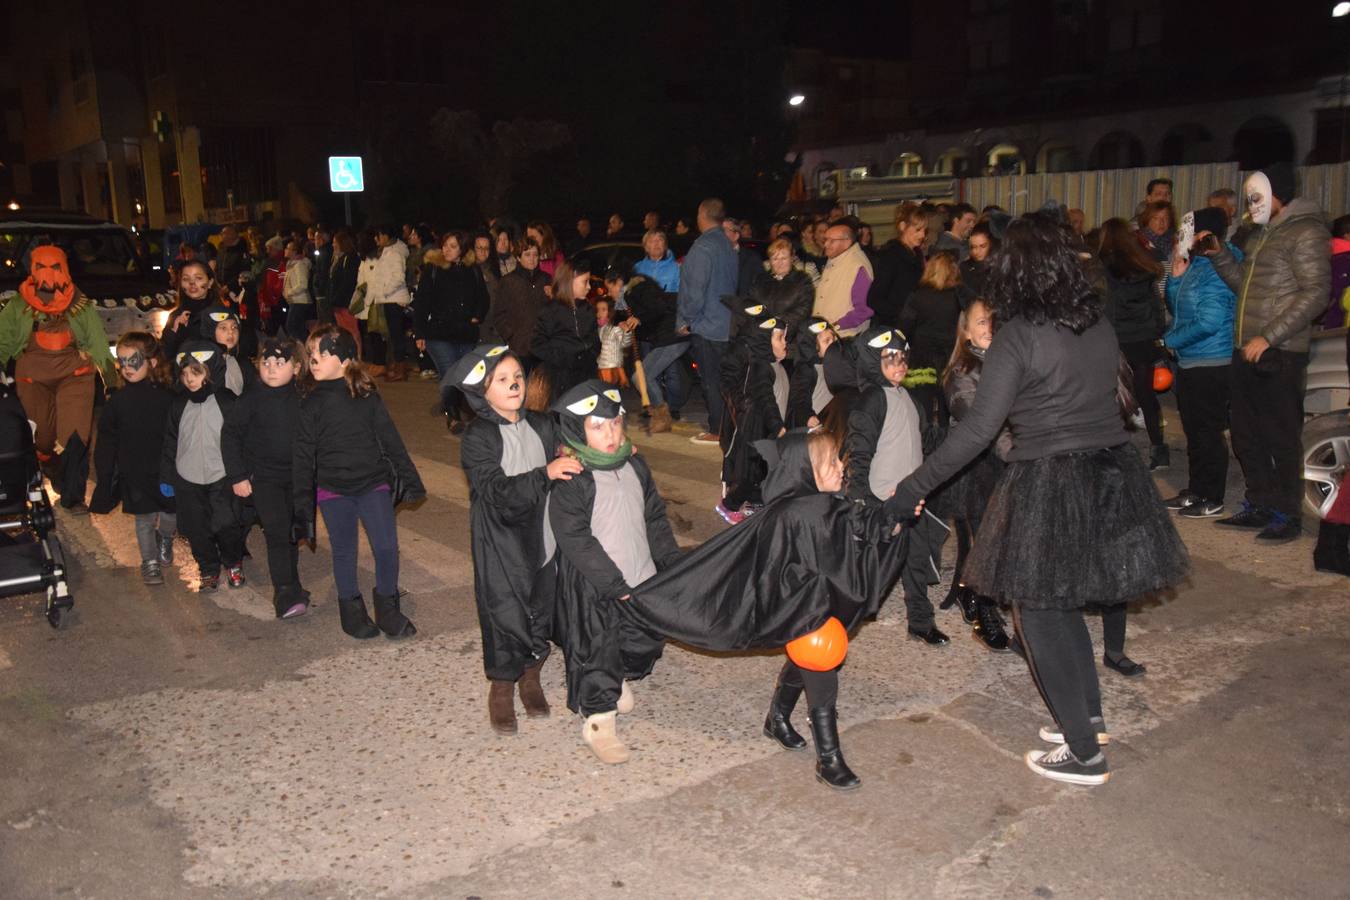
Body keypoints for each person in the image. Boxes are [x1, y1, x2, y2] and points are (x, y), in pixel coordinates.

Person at [885, 211, 1189, 787]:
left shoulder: (1019, 334)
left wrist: (912, 487)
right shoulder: (1095, 322)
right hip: (1110, 472)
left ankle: (1084, 755)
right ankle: (1088, 722)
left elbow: (977, 432)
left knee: (1039, 611)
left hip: (1052, 477)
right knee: (1062, 601)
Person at [625, 428, 917, 790]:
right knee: (819, 660)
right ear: (805, 471)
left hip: (815, 604)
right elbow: (774, 564)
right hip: (801, 607)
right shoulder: (795, 513)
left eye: (837, 459)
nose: (841, 466)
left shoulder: (826, 505)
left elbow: (862, 526)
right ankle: (829, 758)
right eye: (830, 462)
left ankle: (777, 717)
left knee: (809, 651)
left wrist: (894, 515)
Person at [543, 381, 681, 763]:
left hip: (641, 576)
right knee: (597, 650)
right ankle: (599, 723)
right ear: (578, 430)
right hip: (596, 584)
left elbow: (654, 517)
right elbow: (574, 538)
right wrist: (612, 583)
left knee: (646, 641)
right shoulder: (573, 476)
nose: (610, 434)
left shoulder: (635, 464)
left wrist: (671, 563)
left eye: (615, 423)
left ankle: (618, 676)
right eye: (598, 427)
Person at [446, 345, 582, 731]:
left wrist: (614, 450)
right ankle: (502, 686)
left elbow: (574, 449)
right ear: (482, 391)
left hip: (542, 536)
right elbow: (496, 492)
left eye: (518, 377)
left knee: (541, 605)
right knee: (503, 612)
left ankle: (531, 675)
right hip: (500, 542)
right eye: (502, 379)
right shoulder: (478, 437)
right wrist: (545, 473)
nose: (514, 385)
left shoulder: (542, 424)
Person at [1203, 164, 1332, 543]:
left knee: (1280, 436)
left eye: (1256, 198)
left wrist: (1269, 337)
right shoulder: (1263, 235)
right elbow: (1247, 287)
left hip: (1280, 353)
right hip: (1247, 348)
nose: (1250, 206)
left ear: (1279, 194)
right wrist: (1219, 256)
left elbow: (1316, 293)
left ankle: (1287, 514)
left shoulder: (1305, 231)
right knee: (1246, 434)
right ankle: (1260, 503)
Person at [293, 326, 425, 639]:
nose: (314, 359)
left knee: (386, 547)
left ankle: (388, 609)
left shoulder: (366, 396)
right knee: (344, 551)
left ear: (343, 359)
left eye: (321, 353)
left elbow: (390, 438)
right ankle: (351, 611)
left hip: (372, 483)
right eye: (311, 354)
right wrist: (301, 504)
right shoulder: (310, 403)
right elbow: (303, 455)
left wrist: (410, 479)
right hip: (332, 489)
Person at [844, 326, 945, 646]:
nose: (900, 364)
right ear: (873, 361)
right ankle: (850, 612)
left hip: (911, 497)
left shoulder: (910, 399)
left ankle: (920, 620)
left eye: (903, 357)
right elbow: (860, 449)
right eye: (890, 358)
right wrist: (859, 496)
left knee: (916, 559)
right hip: (880, 498)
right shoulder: (872, 400)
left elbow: (925, 439)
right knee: (873, 561)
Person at [0, 244, 116, 510]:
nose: (49, 274)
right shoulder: (18, 306)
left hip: (75, 374)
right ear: (32, 269)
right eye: (41, 267)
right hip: (32, 378)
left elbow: (98, 344)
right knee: (40, 437)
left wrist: (112, 384)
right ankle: (50, 465)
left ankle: (73, 495)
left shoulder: (80, 305)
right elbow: (2, 341)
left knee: (75, 435)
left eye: (55, 267)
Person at [937, 300, 1011, 651]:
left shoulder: (1007, 361)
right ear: (965, 331)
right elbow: (978, 420)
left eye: (993, 321)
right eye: (981, 322)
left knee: (1001, 535)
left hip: (1006, 457)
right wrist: (1016, 450)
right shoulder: (962, 371)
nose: (989, 327)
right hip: (977, 463)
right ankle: (984, 609)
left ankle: (975, 590)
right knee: (985, 538)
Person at [1161, 207, 1242, 519]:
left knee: (1208, 431)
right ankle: (1196, 489)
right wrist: (1174, 279)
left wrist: (1170, 341)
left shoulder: (1219, 266)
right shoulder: (1197, 263)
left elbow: (1210, 321)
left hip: (1212, 360)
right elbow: (1178, 307)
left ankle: (1212, 495)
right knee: (1194, 431)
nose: (1184, 237)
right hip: (1191, 358)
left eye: (1189, 231)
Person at [222, 337, 310, 619]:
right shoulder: (251, 398)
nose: (271, 368)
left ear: (296, 368)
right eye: (266, 362)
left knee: (292, 532)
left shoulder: (303, 398)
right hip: (264, 478)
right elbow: (230, 435)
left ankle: (293, 585)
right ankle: (284, 593)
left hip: (296, 478)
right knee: (277, 532)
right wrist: (237, 475)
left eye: (279, 363)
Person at [89, 332, 177, 585]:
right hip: (134, 470)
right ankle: (149, 562)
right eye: (122, 361)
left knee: (171, 513)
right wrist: (106, 471)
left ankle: (166, 537)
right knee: (144, 518)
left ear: (152, 362)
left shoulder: (169, 398)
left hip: (165, 469)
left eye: (133, 361)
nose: (126, 367)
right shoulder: (117, 402)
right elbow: (107, 438)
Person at [160, 340, 245, 592]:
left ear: (209, 371)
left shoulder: (227, 401)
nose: (189, 379)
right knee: (196, 528)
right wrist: (167, 476)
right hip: (187, 477)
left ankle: (233, 562)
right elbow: (170, 441)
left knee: (226, 524)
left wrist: (242, 473)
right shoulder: (178, 404)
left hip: (222, 475)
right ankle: (208, 568)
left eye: (195, 372)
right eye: (185, 373)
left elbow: (241, 439)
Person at [1098, 217, 1168, 469]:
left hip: (1118, 340)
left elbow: (1106, 308)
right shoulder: (1144, 267)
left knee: (1114, 395)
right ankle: (1159, 449)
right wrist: (1157, 334)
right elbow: (1156, 305)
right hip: (1143, 339)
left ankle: (1115, 451)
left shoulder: (1104, 270)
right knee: (1146, 395)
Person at [413, 230, 491, 433]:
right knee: (449, 372)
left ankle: (457, 406)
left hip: (465, 333)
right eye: (445, 245)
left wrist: (477, 315)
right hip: (439, 334)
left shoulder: (472, 270)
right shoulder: (433, 269)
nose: (446, 250)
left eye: (453, 246)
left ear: (462, 249)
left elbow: (483, 297)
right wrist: (419, 332)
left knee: (464, 375)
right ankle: (453, 414)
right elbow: (421, 302)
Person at [676, 198, 739, 445]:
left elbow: (694, 290)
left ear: (702, 215)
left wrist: (687, 320)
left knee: (711, 380)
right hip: (726, 324)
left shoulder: (703, 246)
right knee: (726, 380)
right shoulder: (727, 244)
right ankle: (730, 425)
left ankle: (717, 429)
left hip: (707, 326)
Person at [715, 315, 789, 524]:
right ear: (765, 340)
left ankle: (756, 504)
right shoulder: (762, 367)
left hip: (769, 430)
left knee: (765, 473)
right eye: (779, 338)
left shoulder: (777, 366)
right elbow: (766, 399)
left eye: (785, 337)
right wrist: (777, 425)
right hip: (759, 430)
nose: (785, 343)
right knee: (752, 474)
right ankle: (728, 505)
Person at [617, 268, 686, 433]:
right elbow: (651, 319)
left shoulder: (636, 289)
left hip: (672, 336)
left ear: (618, 282)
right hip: (671, 336)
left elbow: (658, 308)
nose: (609, 292)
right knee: (642, 377)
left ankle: (662, 416)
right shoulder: (634, 292)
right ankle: (660, 415)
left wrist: (638, 318)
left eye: (610, 287)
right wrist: (630, 323)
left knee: (642, 376)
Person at [899, 251, 963, 426]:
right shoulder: (958, 296)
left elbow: (904, 327)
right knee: (946, 402)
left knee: (922, 405)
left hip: (922, 356)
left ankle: (924, 437)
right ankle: (944, 435)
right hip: (950, 355)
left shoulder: (917, 296)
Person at [531, 259, 600, 406]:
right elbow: (537, 344)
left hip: (585, 375)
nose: (589, 287)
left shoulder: (588, 310)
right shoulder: (551, 311)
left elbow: (595, 341)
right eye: (585, 282)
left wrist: (589, 355)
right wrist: (561, 358)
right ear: (570, 282)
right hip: (559, 378)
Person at [867, 201, 928, 328]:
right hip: (893, 326)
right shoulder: (890, 255)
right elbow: (874, 299)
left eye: (924, 230)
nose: (922, 235)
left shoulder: (916, 253)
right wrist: (902, 313)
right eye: (917, 230)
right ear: (902, 226)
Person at [492, 239, 548, 370]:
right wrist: (511, 336)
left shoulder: (546, 280)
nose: (532, 259)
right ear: (518, 257)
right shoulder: (508, 282)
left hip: (543, 346)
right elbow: (499, 314)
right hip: (520, 347)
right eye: (527, 255)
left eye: (535, 255)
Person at [813, 221, 873, 337]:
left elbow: (863, 309)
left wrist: (836, 326)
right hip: (827, 335)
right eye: (826, 240)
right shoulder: (835, 259)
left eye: (832, 241)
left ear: (847, 242)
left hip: (846, 337)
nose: (826, 244)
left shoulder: (857, 266)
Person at [748, 238, 815, 334]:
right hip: (761, 333)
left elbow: (803, 310)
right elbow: (751, 304)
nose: (780, 263)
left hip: (789, 335)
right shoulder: (760, 280)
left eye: (784, 258)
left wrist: (777, 324)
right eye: (775, 259)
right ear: (769, 261)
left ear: (792, 259)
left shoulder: (802, 280)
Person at [785, 317, 836, 429]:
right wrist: (807, 417)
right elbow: (798, 399)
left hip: (828, 423)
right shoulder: (805, 370)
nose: (832, 344)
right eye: (826, 341)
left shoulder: (832, 365)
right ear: (812, 344)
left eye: (833, 340)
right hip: (812, 427)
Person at [198, 304, 257, 397]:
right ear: (210, 332)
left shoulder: (244, 365)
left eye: (234, 327)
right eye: (223, 328)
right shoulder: (201, 366)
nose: (231, 332)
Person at [328, 229, 361, 346]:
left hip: (346, 302)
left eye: (335, 242)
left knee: (352, 330)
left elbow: (348, 281)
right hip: (339, 302)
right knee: (343, 331)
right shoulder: (338, 258)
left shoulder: (349, 259)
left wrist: (337, 297)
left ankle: (357, 354)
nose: (333, 245)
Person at [594, 296, 634, 386]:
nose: (599, 313)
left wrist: (627, 332)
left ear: (610, 311)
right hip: (603, 365)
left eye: (603, 310)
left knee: (611, 389)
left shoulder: (615, 328)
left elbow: (625, 343)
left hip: (613, 366)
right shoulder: (601, 328)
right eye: (598, 310)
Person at [723, 217, 763, 298]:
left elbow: (759, 288)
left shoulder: (752, 259)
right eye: (720, 230)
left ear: (736, 235)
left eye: (725, 230)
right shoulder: (712, 256)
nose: (721, 234)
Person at [959, 222, 998, 301]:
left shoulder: (999, 267)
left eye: (983, 246)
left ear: (991, 244)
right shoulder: (964, 267)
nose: (977, 251)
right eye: (973, 247)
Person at [1136, 201, 1175, 269]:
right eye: (1156, 218)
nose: (1161, 222)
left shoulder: (1176, 242)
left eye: (1166, 218)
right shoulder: (1139, 241)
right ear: (1147, 220)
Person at [310, 228, 332, 323]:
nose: (314, 242)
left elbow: (322, 271)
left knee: (325, 319)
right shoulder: (323, 252)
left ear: (321, 240)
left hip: (323, 292)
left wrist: (319, 287)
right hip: (323, 291)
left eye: (315, 239)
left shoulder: (324, 253)